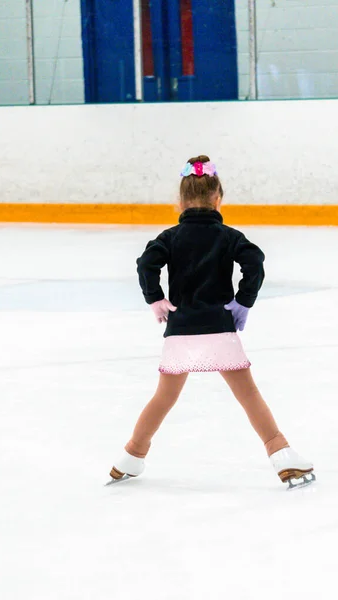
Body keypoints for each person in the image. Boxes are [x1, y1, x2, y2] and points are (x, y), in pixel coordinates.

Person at [109, 155, 314, 488]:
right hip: (219, 327)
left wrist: (155, 299)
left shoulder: (170, 237)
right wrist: (242, 301)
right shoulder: (229, 236)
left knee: (164, 397)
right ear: (218, 198)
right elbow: (255, 263)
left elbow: (146, 263)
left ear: (180, 201)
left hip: (180, 329)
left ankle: (131, 456)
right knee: (248, 395)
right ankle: (281, 454)